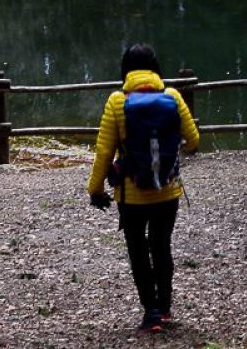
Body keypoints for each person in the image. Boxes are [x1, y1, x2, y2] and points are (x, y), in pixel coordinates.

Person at [87, 43, 199, 332]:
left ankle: (150, 313)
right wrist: (167, 154)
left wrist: (95, 190)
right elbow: (194, 139)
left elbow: (104, 153)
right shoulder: (172, 96)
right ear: (155, 67)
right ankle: (165, 307)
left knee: (138, 250)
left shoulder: (116, 101)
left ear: (126, 69)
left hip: (131, 195)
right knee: (161, 246)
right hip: (167, 192)